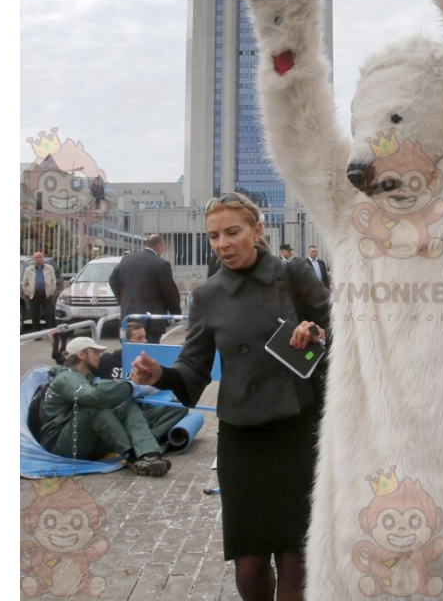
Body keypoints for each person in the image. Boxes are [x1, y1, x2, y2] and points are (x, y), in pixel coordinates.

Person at [131, 192, 330, 601]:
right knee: (250, 562)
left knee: (298, 558)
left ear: (257, 231)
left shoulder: (293, 275)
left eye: (232, 232)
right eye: (213, 236)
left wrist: (317, 335)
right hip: (242, 438)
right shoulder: (207, 296)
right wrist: (161, 374)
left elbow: (345, 331)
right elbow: (193, 368)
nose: (222, 244)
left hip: (298, 431)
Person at [38, 336, 172, 476]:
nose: (99, 356)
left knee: (125, 405)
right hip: (59, 445)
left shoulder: (85, 376)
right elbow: (93, 397)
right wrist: (131, 387)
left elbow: (98, 395)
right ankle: (132, 456)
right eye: (95, 352)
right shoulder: (66, 377)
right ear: (81, 354)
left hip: (79, 438)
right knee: (92, 409)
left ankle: (148, 454)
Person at [109, 234, 181, 344]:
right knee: (148, 356)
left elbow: (112, 280)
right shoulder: (161, 264)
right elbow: (169, 292)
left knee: (128, 355)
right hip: (151, 322)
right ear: (160, 246)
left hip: (128, 318)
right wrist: (176, 313)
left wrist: (123, 299)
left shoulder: (126, 260)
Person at [22, 252, 57, 332]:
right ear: (34, 259)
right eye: (36, 257)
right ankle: (37, 333)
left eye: (40, 257)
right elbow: (24, 283)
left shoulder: (49, 268)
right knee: (35, 315)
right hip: (34, 295)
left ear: (43, 257)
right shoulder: (29, 269)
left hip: (46, 295)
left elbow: (53, 281)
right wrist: (27, 292)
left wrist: (51, 291)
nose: (38, 259)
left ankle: (51, 332)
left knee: (49, 314)